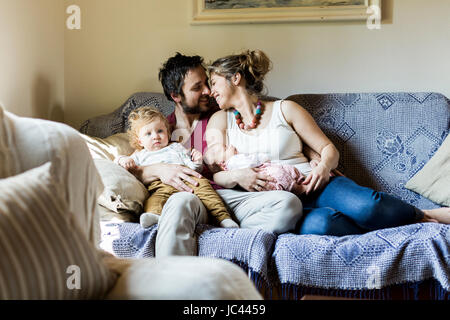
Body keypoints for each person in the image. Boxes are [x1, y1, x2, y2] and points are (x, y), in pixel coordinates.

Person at [205, 49, 450, 237]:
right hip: (281, 203)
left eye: (214, 83)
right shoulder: (219, 121)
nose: (210, 91)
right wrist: (237, 175)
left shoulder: (285, 109)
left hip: (316, 184)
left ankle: (422, 215)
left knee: (368, 207)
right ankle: (402, 224)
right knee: (324, 225)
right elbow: (214, 172)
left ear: (235, 78)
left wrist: (323, 168)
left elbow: (327, 149)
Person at [130, 53, 302, 257]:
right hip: (188, 199)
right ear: (175, 95)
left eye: (207, 84)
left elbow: (271, 134)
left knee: (288, 204)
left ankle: (225, 237)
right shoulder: (155, 130)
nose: (208, 91)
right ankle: (172, 281)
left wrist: (316, 156)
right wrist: (159, 169)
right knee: (181, 201)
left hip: (227, 197)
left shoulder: (224, 114)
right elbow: (133, 166)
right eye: (197, 87)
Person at [116, 106, 238, 229]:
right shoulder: (140, 154)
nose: (155, 136)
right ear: (140, 141)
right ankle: (153, 216)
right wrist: (123, 159)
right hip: (160, 185)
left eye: (160, 131)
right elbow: (118, 162)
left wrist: (197, 161)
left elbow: (193, 169)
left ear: (168, 133)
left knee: (207, 191)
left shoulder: (176, 147)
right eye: (148, 133)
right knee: (155, 199)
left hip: (189, 180)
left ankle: (223, 218)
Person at [205, 143, 307, 194]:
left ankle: (299, 181)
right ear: (222, 164)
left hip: (266, 170)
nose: (231, 145)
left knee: (284, 171)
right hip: (265, 174)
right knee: (280, 175)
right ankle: (300, 188)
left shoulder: (234, 161)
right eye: (226, 148)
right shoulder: (233, 162)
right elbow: (251, 163)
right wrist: (262, 157)